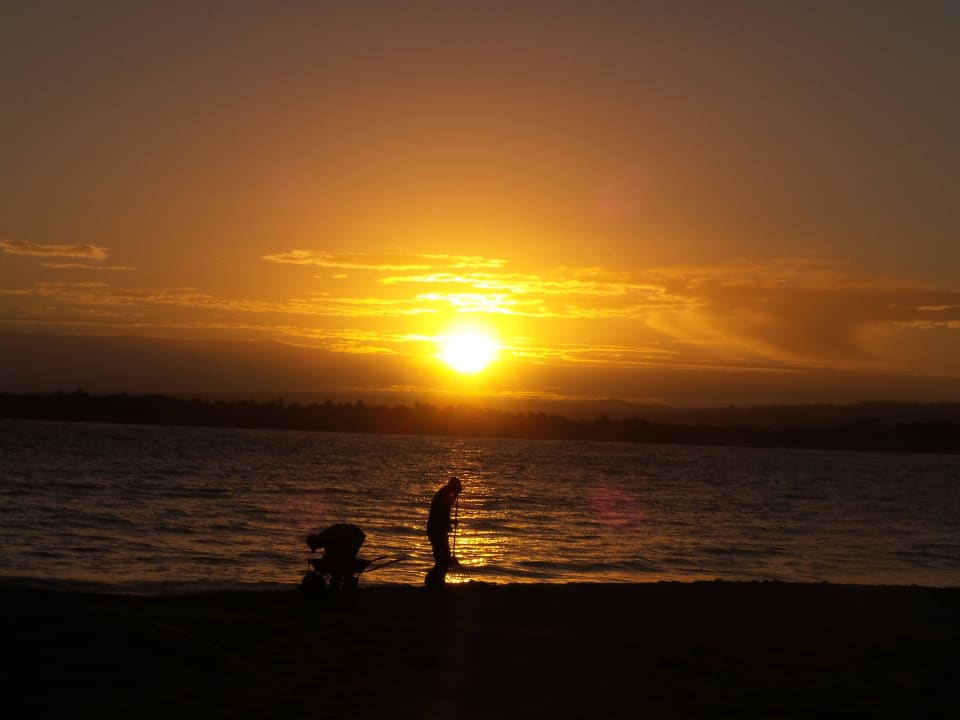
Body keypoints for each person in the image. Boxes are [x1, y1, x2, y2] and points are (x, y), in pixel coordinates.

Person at [305, 523, 366, 590]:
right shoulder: (324, 538)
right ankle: (344, 582)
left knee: (345, 558)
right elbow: (332, 553)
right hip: (353, 535)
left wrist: (328, 560)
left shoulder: (326, 538)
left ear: (316, 542)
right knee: (345, 558)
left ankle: (342, 583)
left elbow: (331, 555)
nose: (317, 549)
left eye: (315, 547)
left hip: (355, 535)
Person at [425, 476, 462, 586]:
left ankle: (438, 581)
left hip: (437, 530)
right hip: (436, 530)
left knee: (443, 556)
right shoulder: (443, 494)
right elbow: (443, 510)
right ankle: (434, 581)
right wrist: (455, 495)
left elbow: (444, 510)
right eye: (456, 489)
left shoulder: (444, 493)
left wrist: (451, 521)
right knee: (442, 557)